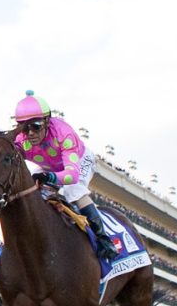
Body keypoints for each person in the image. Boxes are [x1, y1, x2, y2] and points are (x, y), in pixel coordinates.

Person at [12, 90, 118, 260]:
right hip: (51, 167)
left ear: (47, 121)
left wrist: (51, 178)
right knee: (31, 189)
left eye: (36, 126)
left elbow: (72, 175)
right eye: (25, 128)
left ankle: (104, 240)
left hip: (79, 162)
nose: (30, 133)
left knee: (72, 189)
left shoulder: (63, 134)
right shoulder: (20, 140)